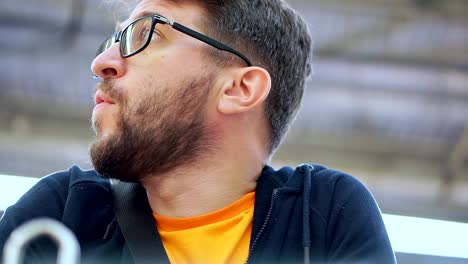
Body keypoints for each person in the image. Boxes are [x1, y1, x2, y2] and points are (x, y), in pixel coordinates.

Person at [0, 0, 396, 263]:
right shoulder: (65, 212)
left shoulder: (323, 215)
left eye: (147, 35)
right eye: (114, 40)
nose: (101, 62)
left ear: (239, 89)